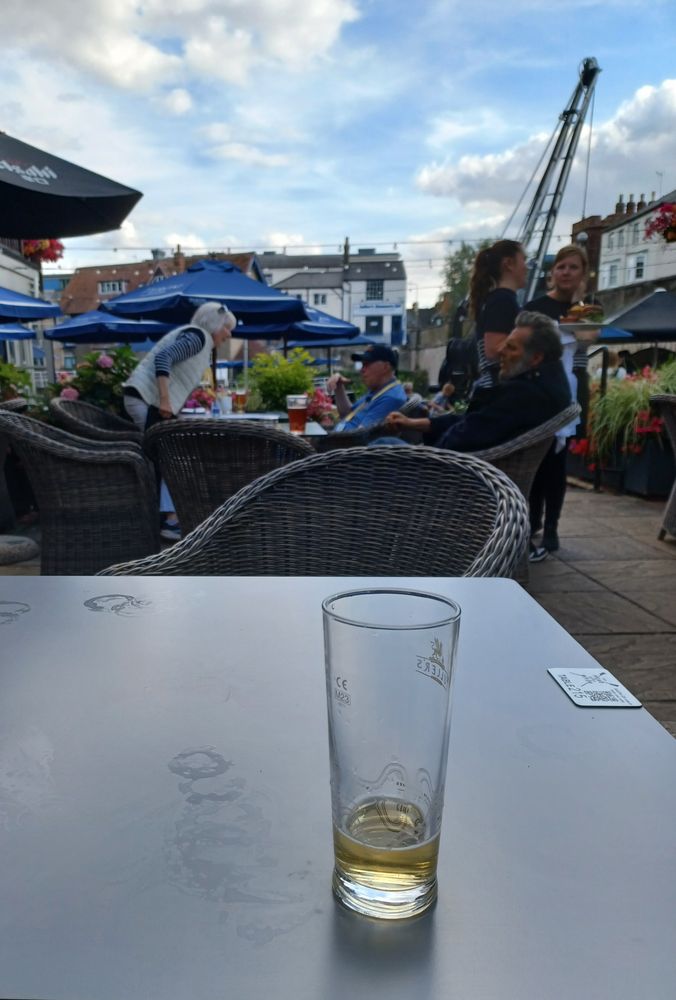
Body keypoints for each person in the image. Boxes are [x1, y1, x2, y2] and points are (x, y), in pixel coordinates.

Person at [123, 301, 236, 540]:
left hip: (145, 399)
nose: (230, 333)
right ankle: (168, 521)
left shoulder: (199, 340)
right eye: (227, 327)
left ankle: (167, 518)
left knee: (168, 454)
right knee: (167, 456)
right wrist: (165, 400)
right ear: (215, 324)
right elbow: (163, 359)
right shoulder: (199, 337)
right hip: (147, 399)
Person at [386, 311, 570, 456]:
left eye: (511, 347)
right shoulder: (542, 387)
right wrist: (411, 422)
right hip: (469, 469)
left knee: (382, 446)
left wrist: (425, 452)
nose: (500, 350)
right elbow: (473, 422)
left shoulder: (524, 396)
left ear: (536, 358)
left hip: (454, 478)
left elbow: (462, 436)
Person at [525, 244, 593, 553]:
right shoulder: (537, 307)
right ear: (553, 273)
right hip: (542, 389)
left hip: (573, 389)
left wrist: (580, 307)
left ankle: (551, 526)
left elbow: (587, 344)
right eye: (561, 267)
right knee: (535, 460)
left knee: (557, 462)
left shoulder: (590, 307)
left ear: (583, 272)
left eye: (573, 267)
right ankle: (531, 521)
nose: (566, 272)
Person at [469, 239, 528, 395]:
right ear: (508, 263)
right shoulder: (503, 300)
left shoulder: (496, 299)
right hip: (499, 388)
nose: (526, 267)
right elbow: (493, 350)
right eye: (524, 259)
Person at [326, 345, 407, 432]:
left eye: (366, 365)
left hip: (342, 443)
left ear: (385, 367)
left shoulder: (390, 398)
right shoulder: (379, 390)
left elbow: (361, 435)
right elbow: (347, 415)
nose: (361, 370)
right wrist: (338, 386)